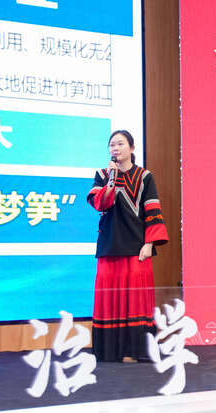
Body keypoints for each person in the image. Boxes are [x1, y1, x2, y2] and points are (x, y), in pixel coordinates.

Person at [86, 130, 168, 363]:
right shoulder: (102, 175)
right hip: (110, 245)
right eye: (112, 144)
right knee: (109, 300)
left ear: (132, 148)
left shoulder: (145, 176)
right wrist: (111, 179)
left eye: (120, 144)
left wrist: (149, 243)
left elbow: (152, 209)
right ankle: (110, 352)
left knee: (136, 301)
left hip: (136, 246)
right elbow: (101, 204)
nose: (116, 148)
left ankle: (135, 351)